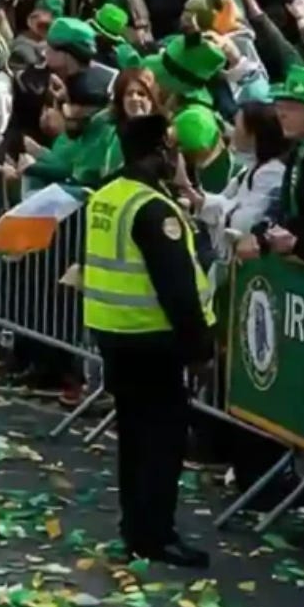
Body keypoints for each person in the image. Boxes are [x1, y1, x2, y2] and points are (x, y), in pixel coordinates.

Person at [82, 112, 217, 569]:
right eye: (172, 150)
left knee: (134, 438)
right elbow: (177, 289)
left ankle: (135, 528)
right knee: (162, 442)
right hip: (151, 339)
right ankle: (156, 535)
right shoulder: (153, 209)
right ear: (159, 151)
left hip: (113, 332)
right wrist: (199, 350)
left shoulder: (108, 194)